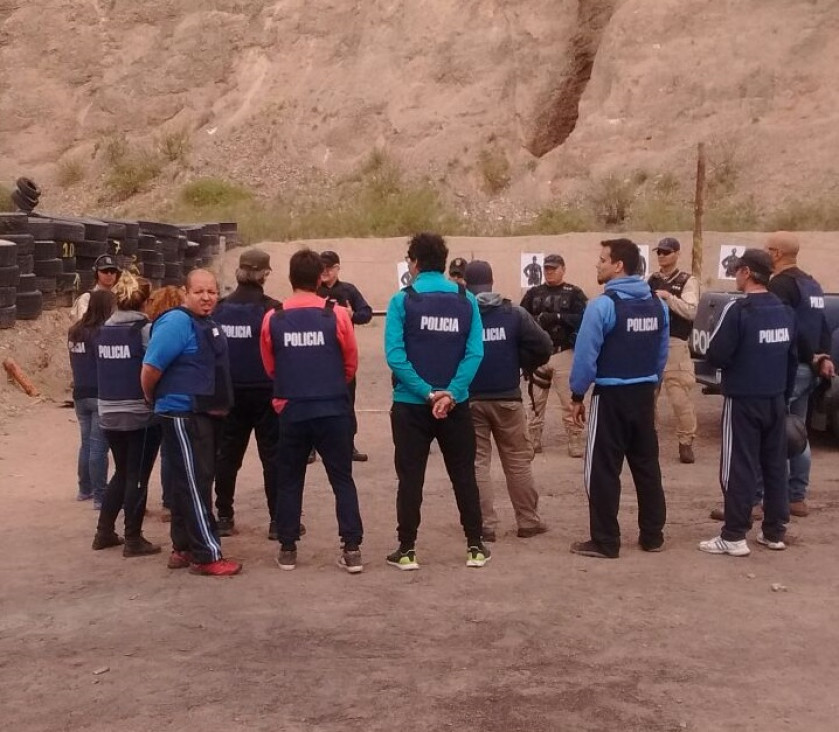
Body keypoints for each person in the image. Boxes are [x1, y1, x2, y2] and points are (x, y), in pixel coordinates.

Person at [384, 232, 489, 570]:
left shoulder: (402, 300)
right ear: (443, 263)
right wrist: (451, 393)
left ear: (413, 262)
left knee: (411, 478)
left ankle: (407, 549)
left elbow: (396, 357)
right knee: (464, 475)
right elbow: (475, 353)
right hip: (455, 405)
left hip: (411, 405)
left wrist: (428, 393)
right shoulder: (466, 299)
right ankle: (475, 546)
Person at [260, 249, 364, 573]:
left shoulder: (273, 317)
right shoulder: (337, 314)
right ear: (320, 277)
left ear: (290, 278)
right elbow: (350, 363)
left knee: (289, 479)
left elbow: (270, 366)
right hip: (332, 406)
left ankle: (288, 547)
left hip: (293, 408)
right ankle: (352, 549)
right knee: (342, 479)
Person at [568, 238, 669, 559]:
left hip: (611, 396)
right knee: (647, 467)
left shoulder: (602, 305)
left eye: (602, 260)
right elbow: (661, 353)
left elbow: (586, 356)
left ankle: (605, 540)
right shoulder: (658, 305)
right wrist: (651, 383)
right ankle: (652, 536)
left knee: (602, 470)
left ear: (618, 266)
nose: (597, 264)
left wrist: (576, 394)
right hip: (643, 393)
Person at [141, 269, 241, 577]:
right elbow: (150, 369)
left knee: (191, 483)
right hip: (183, 414)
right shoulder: (176, 322)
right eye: (199, 292)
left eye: (211, 292)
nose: (207, 297)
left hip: (205, 415)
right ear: (186, 292)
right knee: (196, 486)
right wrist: (153, 398)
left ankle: (183, 548)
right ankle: (206, 555)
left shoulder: (207, 323)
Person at [699, 249, 797, 556]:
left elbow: (716, 352)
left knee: (737, 465)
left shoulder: (738, 310)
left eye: (738, 269)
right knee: (775, 465)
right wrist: (784, 395)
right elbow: (792, 358)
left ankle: (733, 535)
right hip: (775, 397)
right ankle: (774, 532)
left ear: (746, 273)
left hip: (743, 399)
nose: (736, 274)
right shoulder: (784, 310)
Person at [464, 260, 552, 541]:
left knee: (477, 464)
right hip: (508, 398)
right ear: (492, 281)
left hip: (471, 398)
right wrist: (519, 361)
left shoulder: (463, 315)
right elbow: (544, 347)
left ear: (465, 284)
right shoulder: (513, 313)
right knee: (517, 462)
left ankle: (484, 526)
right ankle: (528, 521)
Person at [764, 231, 835, 516]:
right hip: (811, 368)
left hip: (791, 367)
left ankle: (764, 500)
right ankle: (796, 496)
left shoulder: (780, 284)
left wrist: (810, 355)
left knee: (774, 430)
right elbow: (823, 326)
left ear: (776, 254)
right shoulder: (811, 283)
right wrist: (823, 356)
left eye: (767, 250)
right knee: (797, 431)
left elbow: (788, 328)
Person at [213, 249, 281, 538]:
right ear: (264, 274)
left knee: (227, 458)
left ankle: (225, 515)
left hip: (229, 394)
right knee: (273, 458)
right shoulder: (272, 309)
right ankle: (278, 521)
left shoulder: (219, 308)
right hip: (266, 392)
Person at [91, 272, 161, 557]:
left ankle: (104, 531)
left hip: (108, 411)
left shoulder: (102, 331)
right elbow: (154, 367)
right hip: (139, 413)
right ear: (145, 301)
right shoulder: (146, 331)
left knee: (122, 472)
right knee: (138, 476)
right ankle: (133, 538)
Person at [520, 253, 588, 456]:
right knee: (534, 402)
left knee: (569, 402)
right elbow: (520, 317)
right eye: (547, 268)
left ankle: (575, 438)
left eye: (554, 268)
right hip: (538, 356)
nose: (550, 272)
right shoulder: (534, 293)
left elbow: (584, 318)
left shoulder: (574, 293)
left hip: (564, 352)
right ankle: (533, 439)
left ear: (563, 269)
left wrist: (558, 317)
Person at [317, 250, 374, 462]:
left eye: (329, 268)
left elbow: (366, 313)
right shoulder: (314, 291)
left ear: (337, 268)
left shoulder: (348, 290)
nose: (325, 272)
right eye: (321, 267)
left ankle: (348, 445)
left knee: (347, 402)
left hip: (342, 354)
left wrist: (352, 315)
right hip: (319, 354)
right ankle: (313, 447)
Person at [647, 237, 700, 463]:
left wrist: (668, 297)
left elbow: (690, 311)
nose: (661, 256)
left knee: (679, 398)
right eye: (659, 252)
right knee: (648, 397)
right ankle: (648, 441)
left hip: (675, 343)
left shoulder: (687, 281)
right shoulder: (652, 280)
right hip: (650, 341)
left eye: (666, 252)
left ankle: (685, 442)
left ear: (677, 254)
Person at [139, 285, 185, 522]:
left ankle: (139, 501)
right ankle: (169, 500)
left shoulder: (150, 329)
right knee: (169, 453)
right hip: (169, 397)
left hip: (153, 396)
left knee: (144, 454)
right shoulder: (181, 328)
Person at [68, 290, 114, 508]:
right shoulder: (101, 333)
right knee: (98, 447)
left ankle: (84, 489)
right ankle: (100, 495)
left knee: (85, 444)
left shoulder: (74, 331)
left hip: (79, 393)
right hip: (98, 393)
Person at [70, 254, 121, 322]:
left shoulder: (121, 297)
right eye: (104, 271)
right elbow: (83, 326)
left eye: (112, 271)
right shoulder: (86, 298)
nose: (109, 274)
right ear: (96, 273)